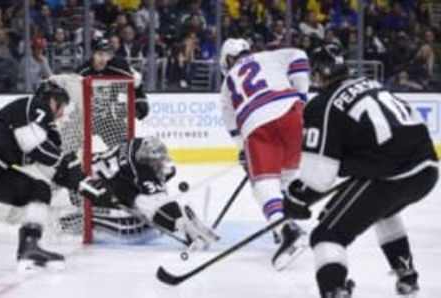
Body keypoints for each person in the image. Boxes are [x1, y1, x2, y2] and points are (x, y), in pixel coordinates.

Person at [283, 44, 438, 297]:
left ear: (319, 73)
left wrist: (297, 198)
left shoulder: (321, 105)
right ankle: (407, 275)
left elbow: (318, 177)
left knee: (326, 234)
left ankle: (334, 290)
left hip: (390, 176)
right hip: (427, 169)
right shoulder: (372, 84)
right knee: (383, 211)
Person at [0, 79, 106, 273]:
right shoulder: (36, 105)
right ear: (50, 99)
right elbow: (34, 145)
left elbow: (50, 166)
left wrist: (79, 184)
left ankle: (29, 247)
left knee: (38, 190)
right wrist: (67, 166)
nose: (62, 113)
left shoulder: (47, 129)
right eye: (60, 104)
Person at [218, 38, 310, 268]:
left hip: (256, 123)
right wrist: (302, 96)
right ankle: (286, 223)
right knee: (289, 176)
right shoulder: (269, 56)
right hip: (290, 111)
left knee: (264, 185)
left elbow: (230, 120)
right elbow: (299, 54)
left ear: (228, 59)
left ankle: (285, 229)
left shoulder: (227, 82)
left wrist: (242, 151)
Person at [87, 136, 218, 247]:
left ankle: (180, 220)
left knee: (143, 201)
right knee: (142, 207)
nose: (158, 165)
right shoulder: (135, 166)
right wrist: (179, 223)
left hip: (106, 178)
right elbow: (151, 201)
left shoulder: (137, 153)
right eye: (155, 163)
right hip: (91, 186)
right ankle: (181, 223)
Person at [77, 38, 149, 147]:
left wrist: (140, 100)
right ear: (93, 54)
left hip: (108, 119)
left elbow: (136, 81)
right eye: (100, 54)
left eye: (107, 55)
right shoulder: (82, 72)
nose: (103, 59)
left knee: (122, 145)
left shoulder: (118, 66)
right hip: (87, 117)